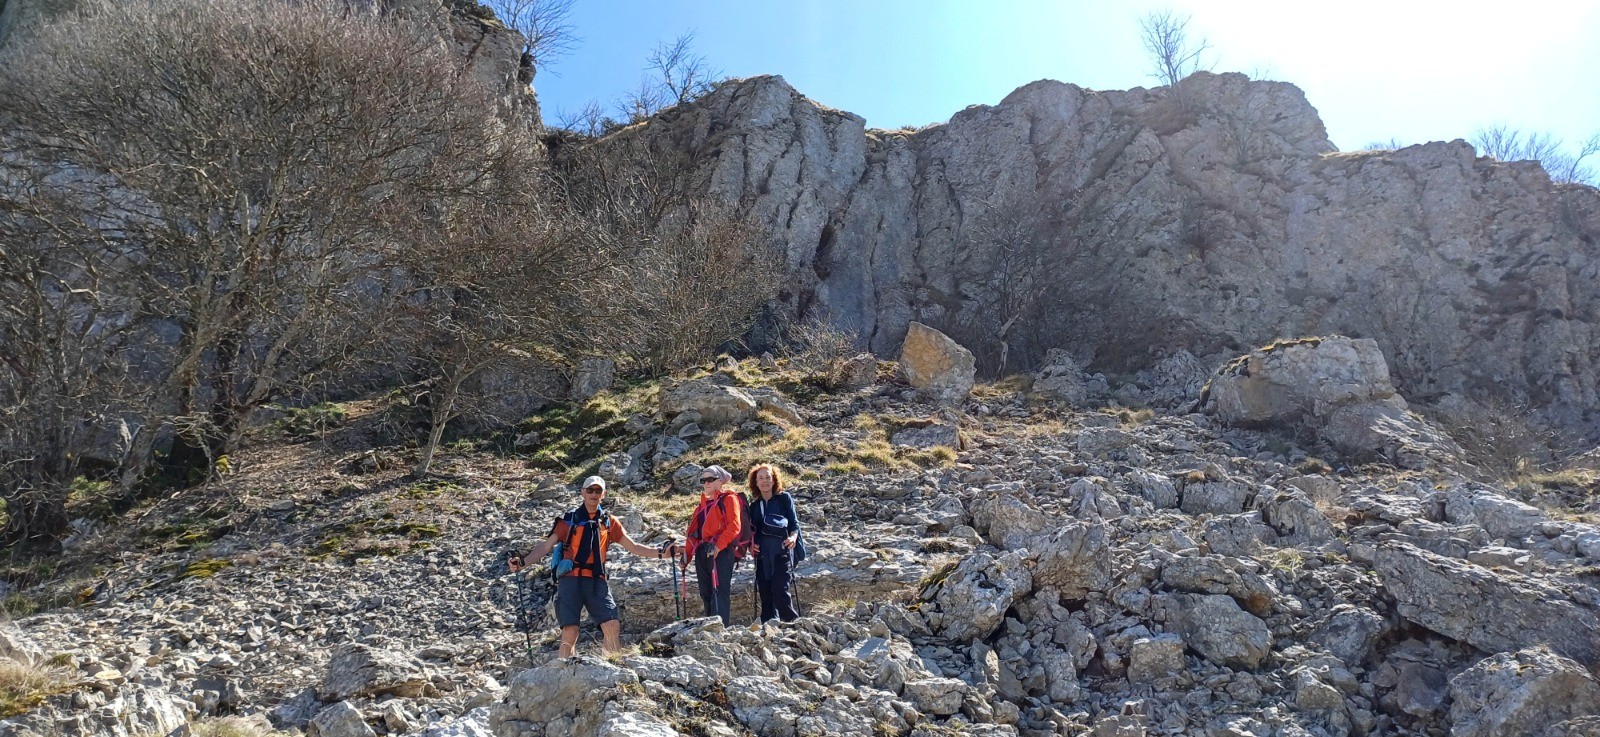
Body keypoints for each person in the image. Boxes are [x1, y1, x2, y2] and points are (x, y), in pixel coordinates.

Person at [510, 475, 674, 658]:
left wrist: (662, 553)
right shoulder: (568, 520)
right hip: (570, 579)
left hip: (596, 579)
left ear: (604, 494)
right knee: (570, 630)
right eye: (590, 490)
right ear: (583, 492)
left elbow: (634, 547)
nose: (594, 494)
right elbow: (546, 546)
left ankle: (612, 665)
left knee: (612, 625)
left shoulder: (609, 522)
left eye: (598, 490)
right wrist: (522, 563)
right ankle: (563, 668)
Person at [684, 465, 742, 624]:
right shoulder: (701, 507)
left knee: (719, 591)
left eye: (710, 479)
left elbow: (734, 526)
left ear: (720, 481)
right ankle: (710, 627)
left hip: (721, 551)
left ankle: (720, 629)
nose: (706, 483)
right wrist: (686, 557)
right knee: (706, 592)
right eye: (703, 480)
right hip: (703, 551)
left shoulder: (729, 499)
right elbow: (694, 535)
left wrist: (718, 546)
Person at [746, 463, 801, 622]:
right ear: (756, 482)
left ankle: (793, 625)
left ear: (774, 479)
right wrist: (752, 544)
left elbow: (794, 524)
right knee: (765, 593)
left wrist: (793, 538)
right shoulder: (754, 506)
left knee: (780, 590)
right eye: (760, 478)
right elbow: (752, 531)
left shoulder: (784, 499)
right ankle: (770, 627)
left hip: (782, 552)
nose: (764, 481)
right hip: (762, 555)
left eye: (768, 477)